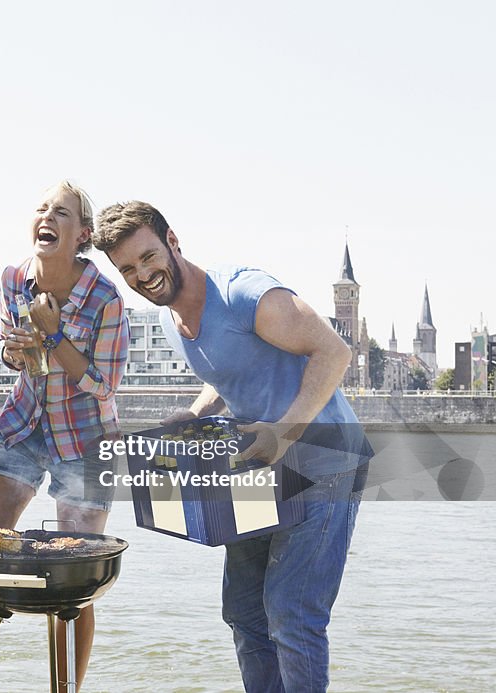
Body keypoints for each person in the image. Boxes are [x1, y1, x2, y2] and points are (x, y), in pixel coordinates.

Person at [92, 200, 372, 693]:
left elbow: (334, 350)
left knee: (292, 617)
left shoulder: (244, 293)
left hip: (325, 461)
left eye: (149, 256)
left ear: (172, 241)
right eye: (128, 269)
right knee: (244, 613)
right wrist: (198, 412)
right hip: (261, 468)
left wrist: (285, 430)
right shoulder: (169, 319)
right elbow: (230, 370)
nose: (143, 275)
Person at [0, 181, 129, 693]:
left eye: (61, 211)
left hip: (84, 440)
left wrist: (54, 334)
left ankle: (68, 690)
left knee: (76, 573)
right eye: (42, 208)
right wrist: (15, 352)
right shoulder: (14, 277)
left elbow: (104, 382)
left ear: (82, 233)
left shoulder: (105, 296)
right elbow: (10, 353)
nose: (48, 216)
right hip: (23, 424)